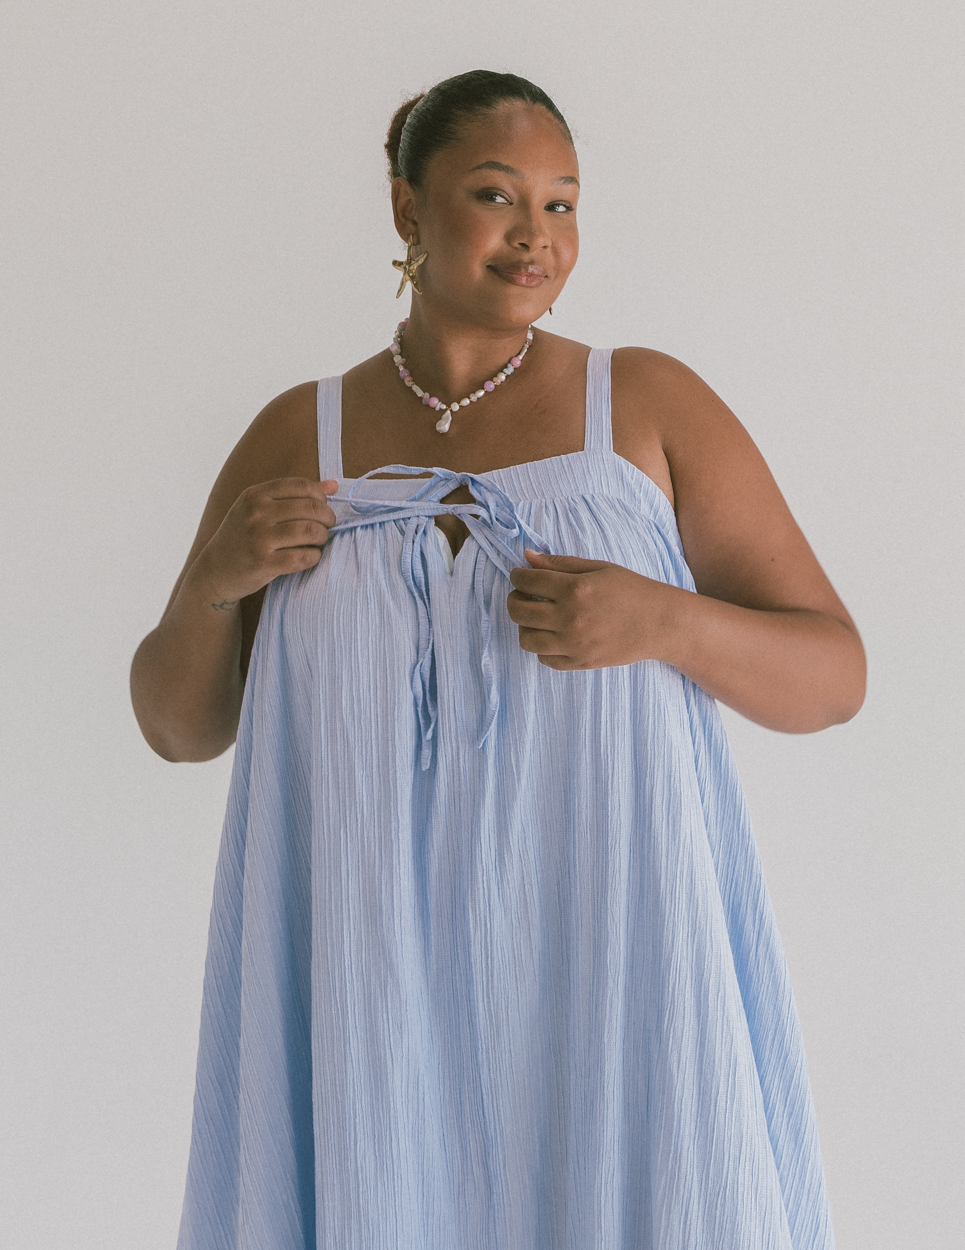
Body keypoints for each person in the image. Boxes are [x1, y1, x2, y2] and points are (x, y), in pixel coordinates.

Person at [131, 70, 864, 1250]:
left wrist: (664, 620)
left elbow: (833, 676)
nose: (537, 235)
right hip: (369, 971)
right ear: (405, 209)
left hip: (608, 949)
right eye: (495, 194)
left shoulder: (643, 404)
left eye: (562, 203)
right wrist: (215, 579)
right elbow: (178, 725)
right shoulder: (300, 433)